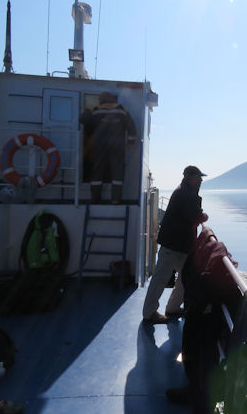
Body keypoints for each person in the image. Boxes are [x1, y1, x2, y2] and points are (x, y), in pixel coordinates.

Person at [142, 166, 209, 324]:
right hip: (172, 246)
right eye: (198, 177)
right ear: (189, 177)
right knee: (160, 278)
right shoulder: (185, 194)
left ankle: (172, 307)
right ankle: (149, 312)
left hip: (181, 246)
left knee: (186, 277)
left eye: (201, 177)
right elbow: (196, 217)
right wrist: (204, 215)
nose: (201, 180)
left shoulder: (186, 191)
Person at [80, 91, 136, 204]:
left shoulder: (95, 111)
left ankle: (95, 200)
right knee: (117, 173)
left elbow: (84, 124)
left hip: (99, 147)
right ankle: (115, 200)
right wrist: (130, 142)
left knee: (97, 173)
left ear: (101, 100)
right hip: (117, 146)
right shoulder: (122, 110)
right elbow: (132, 128)